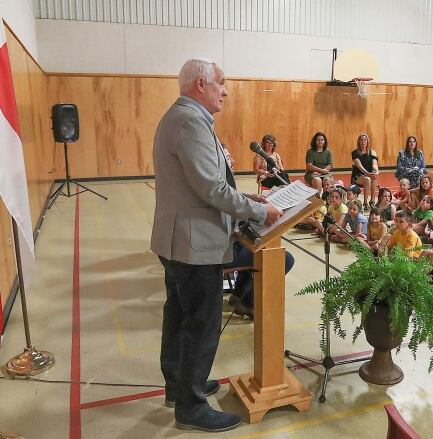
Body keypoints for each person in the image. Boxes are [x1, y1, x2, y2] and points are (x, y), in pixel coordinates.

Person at [151, 58, 282, 432]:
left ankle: (180, 385)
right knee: (201, 323)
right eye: (221, 83)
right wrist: (259, 212)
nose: (225, 91)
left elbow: (202, 185)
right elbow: (210, 188)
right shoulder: (191, 122)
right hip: (194, 244)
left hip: (178, 238)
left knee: (179, 315)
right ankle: (191, 405)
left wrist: (246, 202)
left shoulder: (179, 117)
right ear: (200, 85)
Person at [351, 133, 380, 208]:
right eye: (361, 140)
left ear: (367, 141)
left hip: (369, 174)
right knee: (367, 179)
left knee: (374, 177)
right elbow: (359, 166)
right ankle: (365, 202)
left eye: (365, 140)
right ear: (358, 142)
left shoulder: (372, 152)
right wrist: (368, 174)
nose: (363, 141)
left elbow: (374, 164)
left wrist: (376, 171)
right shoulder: (355, 153)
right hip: (358, 175)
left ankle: (372, 201)